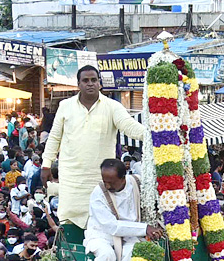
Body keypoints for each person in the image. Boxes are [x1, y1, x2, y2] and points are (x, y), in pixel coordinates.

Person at [40, 67, 147, 229]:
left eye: (94, 80)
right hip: (71, 178)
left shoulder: (112, 106)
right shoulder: (65, 106)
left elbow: (129, 127)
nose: (90, 84)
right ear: (78, 84)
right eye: (85, 80)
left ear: (99, 83)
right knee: (69, 220)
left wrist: (156, 134)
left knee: (103, 220)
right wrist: (46, 164)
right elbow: (54, 137)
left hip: (101, 178)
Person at [85, 158, 164, 261]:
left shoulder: (135, 182)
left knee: (133, 253)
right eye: (104, 180)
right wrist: (145, 229)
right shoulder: (98, 192)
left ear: (123, 178)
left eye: (111, 182)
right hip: (102, 235)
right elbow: (112, 226)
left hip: (130, 235)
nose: (106, 185)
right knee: (107, 256)